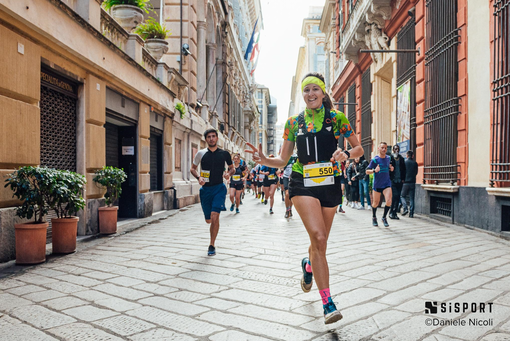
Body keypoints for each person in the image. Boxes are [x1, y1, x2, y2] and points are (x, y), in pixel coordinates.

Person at [245, 72, 363, 324]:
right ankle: (328, 303)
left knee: (319, 246)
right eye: (306, 90)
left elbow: (359, 149)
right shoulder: (293, 123)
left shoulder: (337, 118)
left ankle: (309, 266)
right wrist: (264, 160)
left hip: (330, 183)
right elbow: (283, 160)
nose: (310, 94)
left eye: (314, 89)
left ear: (323, 93)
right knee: (318, 237)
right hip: (302, 181)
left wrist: (346, 154)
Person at [191, 129, 235, 256]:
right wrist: (198, 177)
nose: (211, 139)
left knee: (215, 216)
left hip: (219, 188)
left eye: (213, 136)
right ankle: (210, 225)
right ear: (206, 139)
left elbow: (232, 168)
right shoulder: (201, 154)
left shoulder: (224, 154)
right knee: (208, 220)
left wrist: (228, 173)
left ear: (217, 138)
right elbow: (192, 169)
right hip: (205, 190)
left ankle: (212, 245)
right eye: (209, 137)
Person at [366, 142, 394, 227]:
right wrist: (374, 170)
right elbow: (367, 171)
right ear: (378, 148)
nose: (384, 149)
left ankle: (384, 217)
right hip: (377, 184)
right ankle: (374, 217)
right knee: (375, 203)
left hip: (387, 183)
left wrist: (391, 168)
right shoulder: (375, 159)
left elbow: (390, 166)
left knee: (389, 201)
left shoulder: (389, 158)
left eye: (385, 148)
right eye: (382, 148)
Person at [389, 145, 406, 220]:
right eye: (395, 149)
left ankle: (394, 213)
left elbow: (404, 169)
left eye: (398, 149)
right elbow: (388, 168)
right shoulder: (391, 158)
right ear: (393, 150)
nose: (397, 150)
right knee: (394, 196)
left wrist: (403, 178)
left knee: (398, 196)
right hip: (393, 180)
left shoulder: (401, 158)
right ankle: (391, 212)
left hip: (400, 181)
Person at [400, 150, 418, 218]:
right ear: (412, 156)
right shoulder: (415, 163)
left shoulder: (404, 163)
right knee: (412, 198)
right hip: (412, 182)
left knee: (402, 196)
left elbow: (402, 172)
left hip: (405, 183)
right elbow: (416, 172)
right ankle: (411, 213)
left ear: (407, 156)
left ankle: (405, 208)